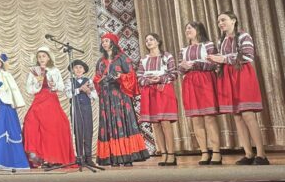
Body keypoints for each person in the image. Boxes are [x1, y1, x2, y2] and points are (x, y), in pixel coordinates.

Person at [207, 11, 267, 165]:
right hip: (228, 77)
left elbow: (248, 56)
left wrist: (224, 58)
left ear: (233, 20)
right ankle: (248, 154)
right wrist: (214, 61)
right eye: (219, 21)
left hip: (242, 75)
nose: (220, 23)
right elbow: (222, 61)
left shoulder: (244, 36)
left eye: (223, 20)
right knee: (237, 116)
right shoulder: (221, 41)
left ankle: (261, 154)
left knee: (248, 114)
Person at [93, 33, 148, 166]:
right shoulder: (100, 62)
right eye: (103, 41)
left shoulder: (122, 58)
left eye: (107, 41)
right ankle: (113, 157)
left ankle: (127, 156)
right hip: (106, 97)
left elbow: (131, 76)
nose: (104, 43)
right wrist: (99, 80)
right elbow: (96, 78)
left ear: (113, 43)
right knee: (109, 124)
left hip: (120, 95)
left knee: (122, 123)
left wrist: (120, 77)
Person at [23, 46, 75, 168]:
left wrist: (54, 85)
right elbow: (29, 89)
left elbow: (61, 87)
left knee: (51, 128)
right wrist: (38, 83)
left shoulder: (54, 70)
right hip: (39, 99)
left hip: (51, 100)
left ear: (48, 58)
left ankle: (52, 158)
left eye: (44, 56)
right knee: (30, 122)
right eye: (39, 57)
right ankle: (38, 156)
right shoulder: (34, 71)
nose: (41, 58)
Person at [178, 21, 222, 165]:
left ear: (199, 30)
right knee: (196, 119)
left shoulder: (208, 45)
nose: (187, 30)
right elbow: (180, 70)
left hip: (206, 81)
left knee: (209, 117)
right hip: (190, 83)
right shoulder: (184, 50)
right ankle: (204, 152)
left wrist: (197, 64)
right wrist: (183, 67)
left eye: (190, 28)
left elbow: (216, 64)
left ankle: (216, 151)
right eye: (186, 28)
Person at [138, 33, 179, 166]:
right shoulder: (144, 59)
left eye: (151, 39)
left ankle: (172, 154)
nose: (148, 42)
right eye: (147, 40)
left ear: (158, 41)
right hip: (150, 92)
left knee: (165, 122)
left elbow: (174, 74)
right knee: (155, 123)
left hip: (164, 90)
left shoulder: (167, 56)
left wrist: (160, 78)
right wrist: (148, 81)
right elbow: (139, 77)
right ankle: (163, 153)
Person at [64, 59, 97, 166]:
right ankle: (80, 157)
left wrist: (88, 91)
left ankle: (88, 157)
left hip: (86, 108)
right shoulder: (70, 81)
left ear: (84, 70)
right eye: (76, 68)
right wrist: (80, 89)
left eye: (80, 68)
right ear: (72, 70)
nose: (78, 69)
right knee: (78, 132)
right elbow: (68, 94)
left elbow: (95, 96)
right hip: (75, 108)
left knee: (88, 131)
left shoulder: (89, 81)